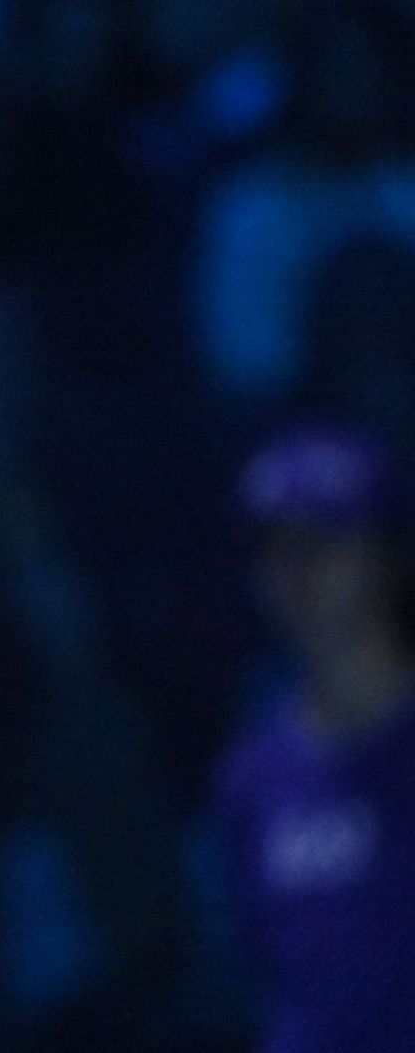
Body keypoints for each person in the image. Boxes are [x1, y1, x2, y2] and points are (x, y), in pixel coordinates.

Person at [211, 425, 415, 1052]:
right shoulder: (252, 776)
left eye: (325, 542)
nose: (297, 573)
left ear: (386, 554)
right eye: (277, 549)